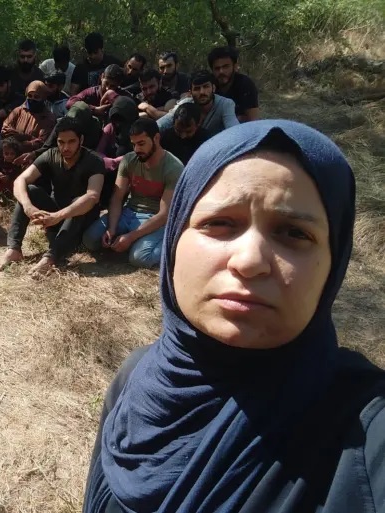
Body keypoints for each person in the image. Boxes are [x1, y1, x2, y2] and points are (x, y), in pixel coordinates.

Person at [82, 120, 385, 513]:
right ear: (175, 243)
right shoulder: (135, 376)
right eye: (219, 223)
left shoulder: (364, 431)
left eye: (294, 233)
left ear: (334, 263)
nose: (250, 261)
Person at [0, 117, 105, 276]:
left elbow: (92, 197)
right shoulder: (51, 155)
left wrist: (58, 216)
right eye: (61, 142)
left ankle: (50, 258)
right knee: (30, 190)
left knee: (79, 202)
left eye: (71, 142)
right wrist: (28, 207)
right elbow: (21, 180)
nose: (65, 147)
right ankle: (14, 249)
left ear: (81, 140)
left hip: (80, 221)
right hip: (56, 215)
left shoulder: (94, 161)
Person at [83, 118, 182, 268]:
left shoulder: (173, 168)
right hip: (129, 212)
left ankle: (174, 244)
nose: (136, 149)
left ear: (156, 138)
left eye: (141, 144)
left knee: (139, 258)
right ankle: (132, 241)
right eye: (134, 144)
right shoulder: (129, 160)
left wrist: (131, 237)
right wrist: (112, 228)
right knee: (90, 239)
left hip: (155, 219)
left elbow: (164, 215)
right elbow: (117, 197)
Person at [157, 70, 239, 135]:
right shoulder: (185, 104)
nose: (202, 92)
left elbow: (234, 130)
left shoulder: (225, 104)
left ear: (213, 88)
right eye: (197, 89)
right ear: (190, 92)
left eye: (206, 87)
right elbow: (162, 124)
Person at [2, 81, 56, 153]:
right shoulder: (19, 111)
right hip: (11, 155)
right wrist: (27, 137)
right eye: (29, 96)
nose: (32, 99)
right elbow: (5, 130)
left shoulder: (48, 118)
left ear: (43, 98)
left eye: (36, 97)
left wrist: (19, 142)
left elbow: (41, 143)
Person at [208, 46, 259, 121]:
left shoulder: (245, 84)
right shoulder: (208, 84)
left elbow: (253, 120)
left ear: (235, 66)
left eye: (226, 67)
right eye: (217, 68)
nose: (221, 71)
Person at [0, 138, 22, 202]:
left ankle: (12, 196)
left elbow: (18, 174)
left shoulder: (17, 164)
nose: (9, 156)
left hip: (9, 183)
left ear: (16, 154)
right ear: (2, 153)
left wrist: (9, 177)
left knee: (18, 183)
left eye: (12, 154)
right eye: (6, 153)